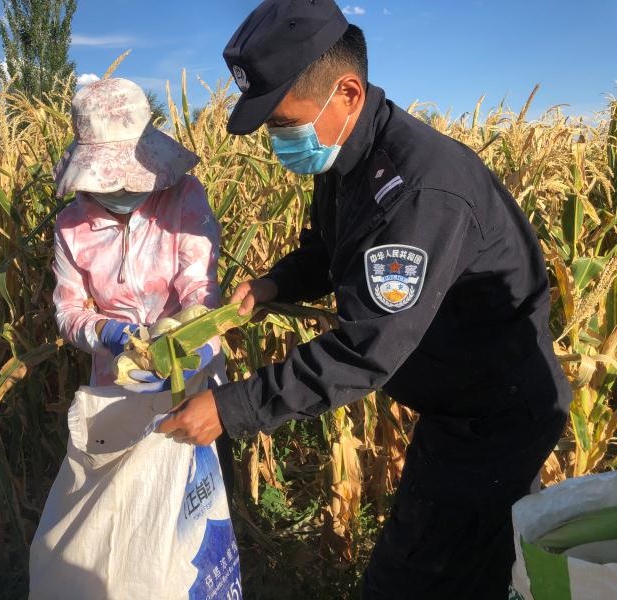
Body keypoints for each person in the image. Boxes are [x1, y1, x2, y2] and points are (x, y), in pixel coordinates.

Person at [158, 1, 571, 597]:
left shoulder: (421, 191)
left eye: (283, 122)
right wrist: (276, 284)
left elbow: (364, 349)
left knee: (407, 581)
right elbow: (331, 249)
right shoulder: (346, 156)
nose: (278, 139)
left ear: (347, 93)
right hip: (461, 403)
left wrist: (231, 407)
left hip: (493, 417)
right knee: (481, 573)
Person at [49, 76, 234, 483]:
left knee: (194, 490)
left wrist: (196, 343)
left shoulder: (183, 198)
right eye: (109, 181)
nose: (121, 188)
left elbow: (199, 288)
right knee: (128, 496)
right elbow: (68, 311)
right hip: (117, 383)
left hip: (193, 378)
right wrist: (109, 333)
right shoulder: (71, 227)